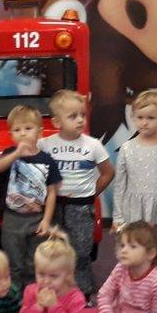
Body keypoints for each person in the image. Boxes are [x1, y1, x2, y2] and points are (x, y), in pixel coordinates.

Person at [39, 90, 114, 299]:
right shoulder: (45, 145)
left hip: (81, 207)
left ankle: (82, 294)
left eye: (82, 114)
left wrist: (92, 193)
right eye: (73, 116)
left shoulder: (93, 145)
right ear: (57, 122)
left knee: (81, 252)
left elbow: (108, 173)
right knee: (53, 251)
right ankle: (55, 291)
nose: (80, 120)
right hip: (54, 206)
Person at [111, 90, 157, 268]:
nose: (144, 122)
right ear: (133, 117)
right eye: (140, 117)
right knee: (134, 253)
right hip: (133, 209)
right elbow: (119, 186)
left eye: (151, 118)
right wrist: (117, 216)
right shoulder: (127, 148)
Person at [0, 104, 62, 289]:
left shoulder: (47, 160)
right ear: (11, 134)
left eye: (28, 128)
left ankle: (33, 294)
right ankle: (15, 296)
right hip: (12, 218)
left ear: (39, 132)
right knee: (13, 262)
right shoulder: (10, 154)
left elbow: (52, 192)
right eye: (17, 130)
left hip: (37, 219)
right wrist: (17, 153)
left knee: (35, 262)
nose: (23, 133)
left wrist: (46, 220)